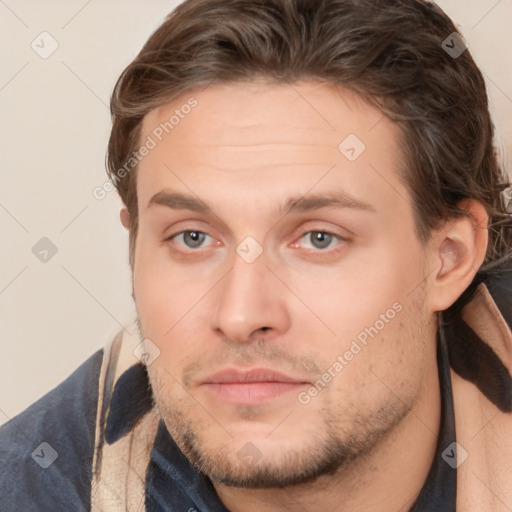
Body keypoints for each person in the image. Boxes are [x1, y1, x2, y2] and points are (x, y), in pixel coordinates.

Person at [1, 0, 512, 510]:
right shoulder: (34, 488)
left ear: (448, 256)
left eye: (319, 238)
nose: (241, 315)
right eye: (192, 237)